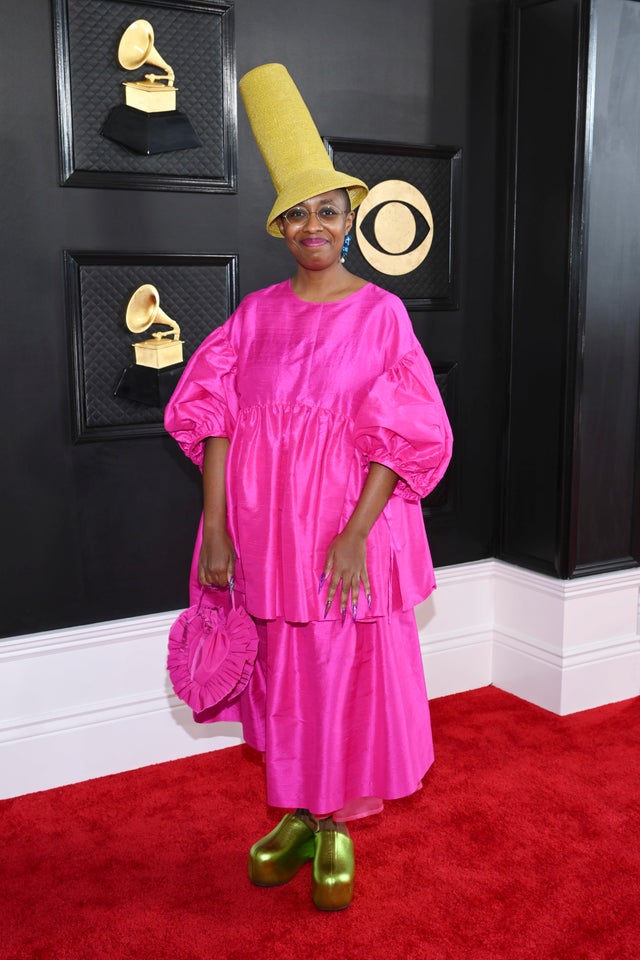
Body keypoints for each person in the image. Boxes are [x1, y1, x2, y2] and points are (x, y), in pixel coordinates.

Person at [164, 63, 453, 912]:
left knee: (337, 670)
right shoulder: (252, 315)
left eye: (328, 211)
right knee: (283, 671)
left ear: (350, 221)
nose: (314, 225)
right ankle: (293, 809)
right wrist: (216, 528)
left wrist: (357, 533)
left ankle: (334, 826)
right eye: (298, 214)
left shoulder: (381, 316)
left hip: (337, 533)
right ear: (283, 228)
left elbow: (401, 437)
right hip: (260, 531)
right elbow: (214, 419)